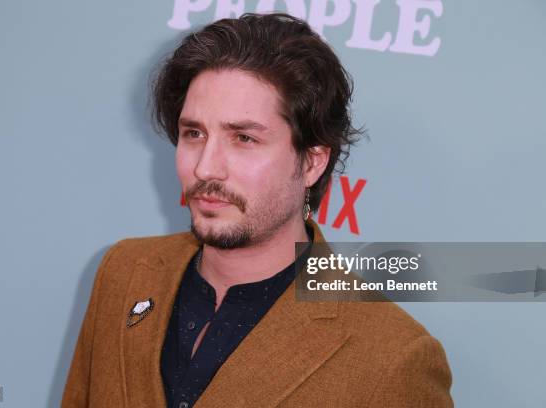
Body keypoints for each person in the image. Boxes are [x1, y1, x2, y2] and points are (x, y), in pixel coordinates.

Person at [62, 13, 453, 408]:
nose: (205, 167)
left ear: (312, 162)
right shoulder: (124, 271)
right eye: (194, 134)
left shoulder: (392, 358)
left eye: (244, 138)